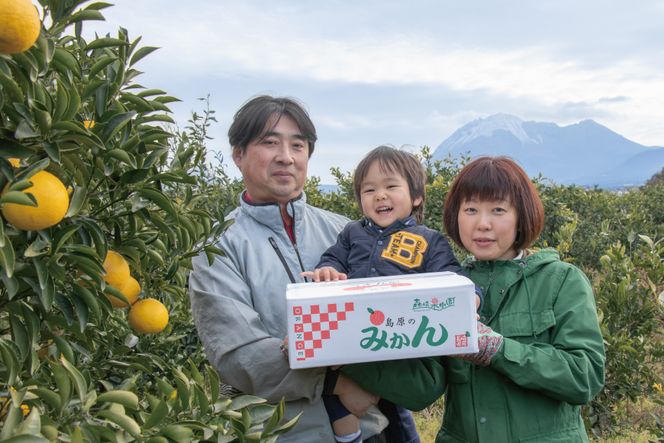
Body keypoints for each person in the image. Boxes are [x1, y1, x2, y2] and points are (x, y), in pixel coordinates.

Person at [342, 156, 606, 442]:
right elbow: (423, 391)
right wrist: (341, 351)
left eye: (498, 210)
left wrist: (497, 350)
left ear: (522, 216)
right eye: (470, 209)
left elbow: (585, 376)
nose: (482, 224)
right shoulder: (443, 288)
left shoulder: (560, 281)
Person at [189, 95, 391, 442]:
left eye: (297, 145)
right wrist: (334, 383)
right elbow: (240, 353)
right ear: (238, 155)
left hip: (367, 428)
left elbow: (385, 312)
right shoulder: (218, 246)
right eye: (270, 143)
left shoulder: (347, 231)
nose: (286, 156)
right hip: (275, 433)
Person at [306, 146, 481, 443]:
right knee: (338, 404)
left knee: (396, 412)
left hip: (400, 346)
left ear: (416, 196)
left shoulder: (428, 240)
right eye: (369, 189)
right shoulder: (352, 232)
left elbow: (454, 278)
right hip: (359, 338)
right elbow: (333, 258)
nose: (380, 195)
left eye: (390, 186)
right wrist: (327, 271)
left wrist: (471, 298)